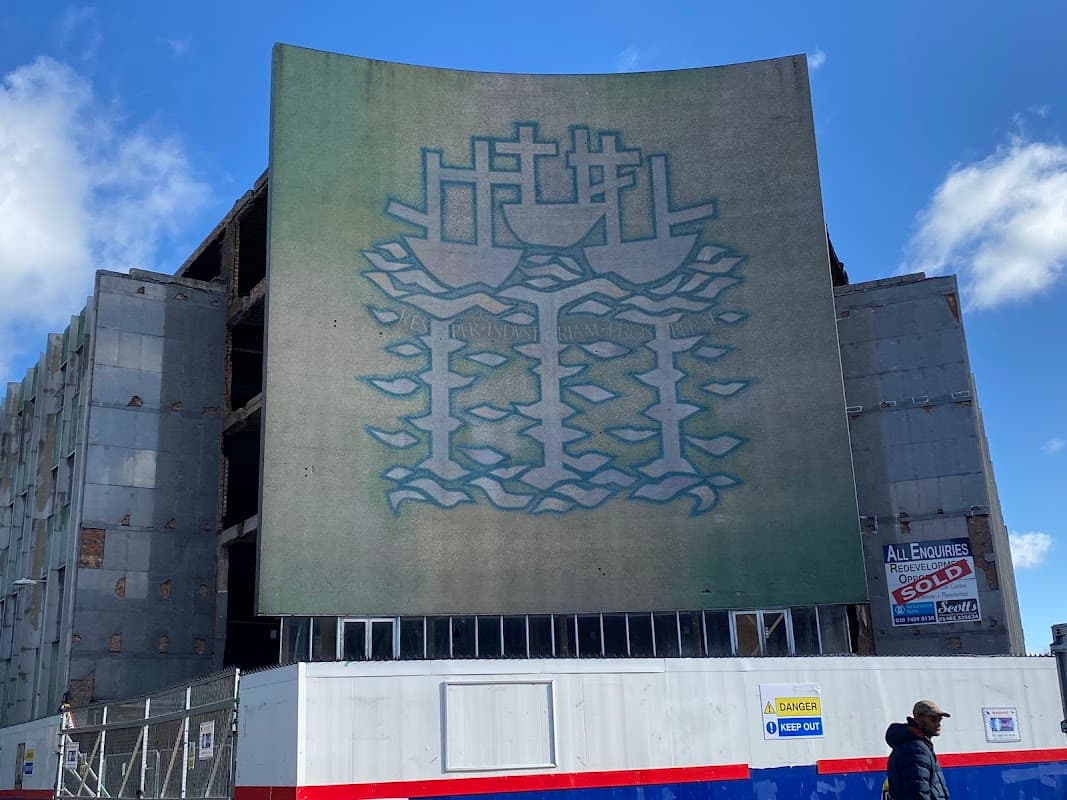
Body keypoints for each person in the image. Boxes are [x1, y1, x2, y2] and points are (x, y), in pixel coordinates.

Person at [884, 700, 951, 800]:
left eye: (939, 720)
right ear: (918, 719)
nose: (938, 724)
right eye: (933, 719)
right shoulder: (915, 751)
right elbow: (918, 793)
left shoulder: (916, 746)